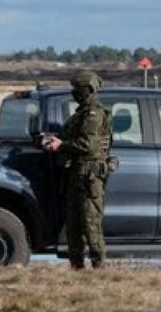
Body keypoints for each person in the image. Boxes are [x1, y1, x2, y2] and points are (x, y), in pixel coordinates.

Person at [44, 71, 113, 270]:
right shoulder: (80, 114)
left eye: (77, 89)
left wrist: (61, 145)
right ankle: (77, 266)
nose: (74, 93)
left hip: (90, 175)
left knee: (90, 223)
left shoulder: (93, 114)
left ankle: (98, 266)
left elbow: (88, 145)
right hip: (76, 174)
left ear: (87, 90)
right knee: (73, 225)